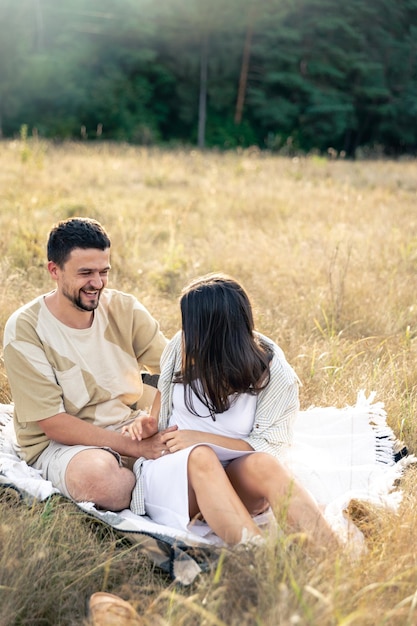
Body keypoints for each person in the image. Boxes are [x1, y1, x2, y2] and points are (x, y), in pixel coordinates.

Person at [124, 273, 339, 548]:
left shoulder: (275, 374)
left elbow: (272, 446)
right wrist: (147, 426)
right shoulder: (178, 349)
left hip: (233, 477)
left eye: (192, 326)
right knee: (201, 457)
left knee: (266, 464)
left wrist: (202, 438)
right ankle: (262, 560)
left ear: (215, 334)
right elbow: (159, 416)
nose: (184, 333)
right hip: (175, 477)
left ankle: (333, 557)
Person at [3, 217, 174, 511]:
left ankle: (153, 482)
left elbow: (176, 367)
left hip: (129, 427)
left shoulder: (125, 308)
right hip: (62, 446)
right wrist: (136, 449)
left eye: (103, 271)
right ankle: (153, 484)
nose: (97, 283)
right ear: (54, 271)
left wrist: (152, 421)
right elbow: (54, 424)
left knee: (208, 447)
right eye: (85, 273)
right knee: (101, 481)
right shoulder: (25, 329)